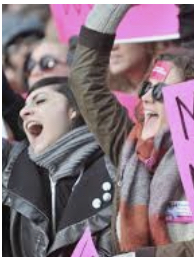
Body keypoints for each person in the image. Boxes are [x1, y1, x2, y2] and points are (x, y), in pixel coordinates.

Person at [70, 4, 194, 257]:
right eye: (146, 88)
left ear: (193, 103)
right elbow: (85, 82)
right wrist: (113, 6)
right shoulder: (129, 146)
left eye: (159, 92)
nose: (147, 98)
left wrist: (147, 256)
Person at [2, 77, 117, 257]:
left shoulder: (118, 167)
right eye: (24, 106)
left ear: (75, 110)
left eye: (41, 101)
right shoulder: (13, 167)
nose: (24, 112)